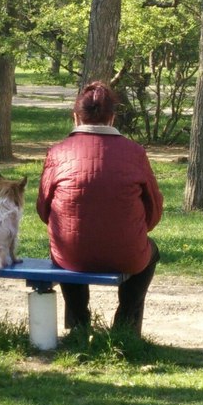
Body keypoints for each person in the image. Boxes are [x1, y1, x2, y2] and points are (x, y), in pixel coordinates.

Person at [36, 81, 163, 337]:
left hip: (71, 253)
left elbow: (44, 208)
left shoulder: (58, 153)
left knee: (62, 250)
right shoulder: (135, 152)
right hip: (127, 252)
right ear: (113, 117)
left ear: (75, 116)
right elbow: (154, 207)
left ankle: (79, 324)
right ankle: (126, 327)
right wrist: (133, 230)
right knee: (151, 252)